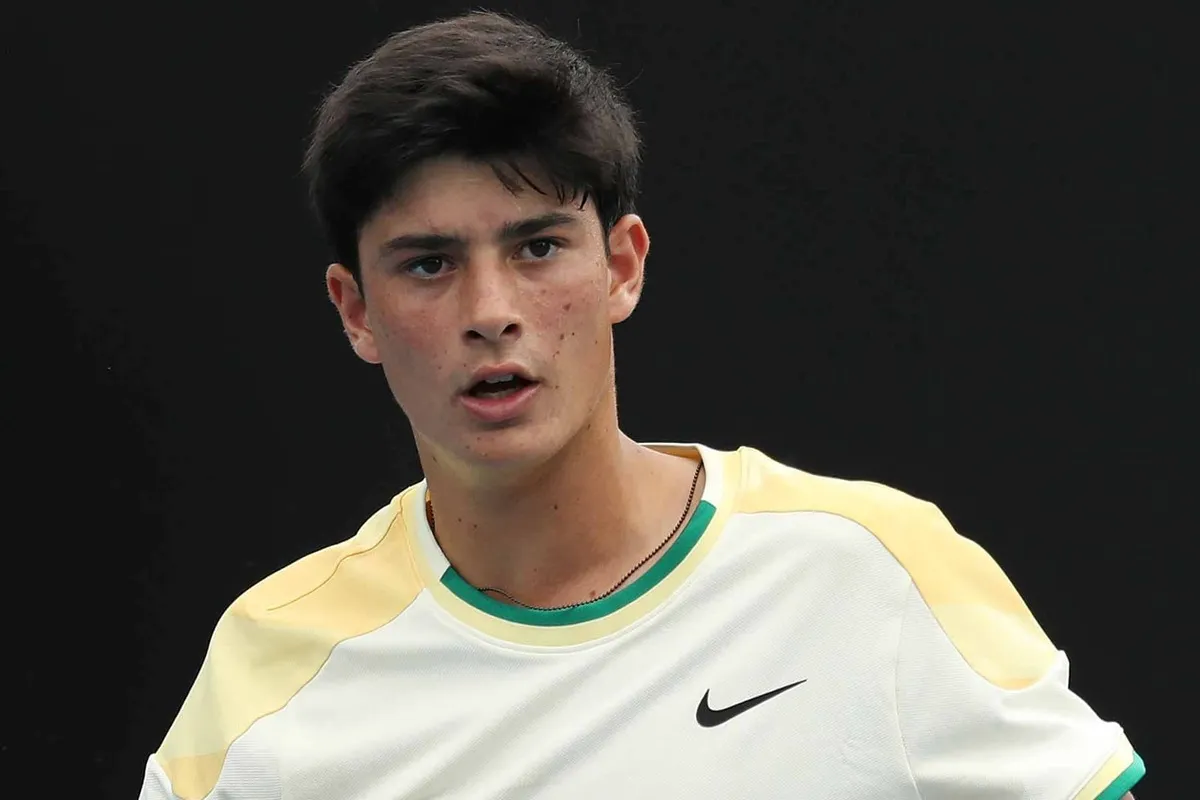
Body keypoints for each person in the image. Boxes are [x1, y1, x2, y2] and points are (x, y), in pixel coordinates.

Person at [138, 10, 1144, 799]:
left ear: (622, 266)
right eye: (430, 263)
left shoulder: (872, 568)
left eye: (537, 247)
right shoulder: (271, 673)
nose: (492, 313)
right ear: (355, 311)